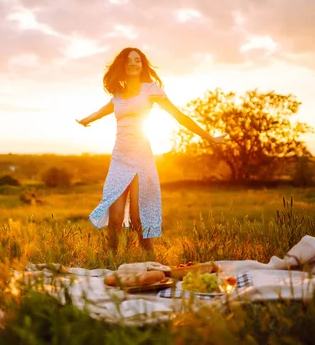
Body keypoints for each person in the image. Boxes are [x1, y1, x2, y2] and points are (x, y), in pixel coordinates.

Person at [76, 47, 225, 253]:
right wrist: (86, 120)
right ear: (122, 65)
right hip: (119, 158)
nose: (133, 64)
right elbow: (102, 111)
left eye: (137, 60)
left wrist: (209, 137)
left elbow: (179, 116)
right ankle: (110, 264)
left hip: (140, 158)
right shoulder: (118, 96)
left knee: (139, 218)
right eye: (129, 61)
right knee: (115, 217)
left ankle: (150, 260)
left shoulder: (150, 90)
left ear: (142, 64)